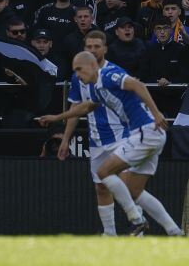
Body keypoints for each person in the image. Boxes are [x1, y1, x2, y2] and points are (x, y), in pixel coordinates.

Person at [43, 48, 171, 236]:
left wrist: (155, 113)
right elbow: (79, 107)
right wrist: (65, 138)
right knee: (101, 186)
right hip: (96, 139)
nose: (93, 50)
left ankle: (140, 230)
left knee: (128, 185)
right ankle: (110, 234)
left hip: (122, 135)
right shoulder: (78, 77)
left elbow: (136, 89)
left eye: (96, 47)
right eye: (89, 47)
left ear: (104, 49)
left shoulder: (114, 73)